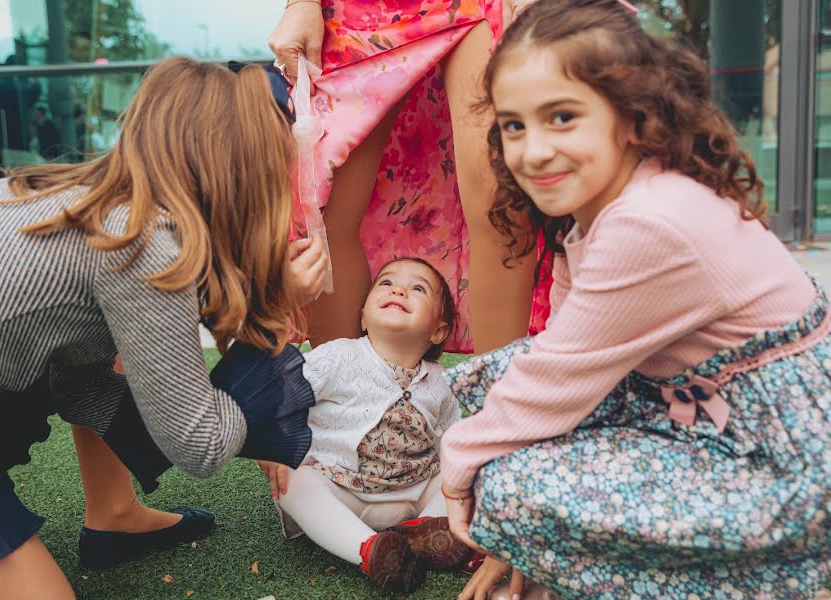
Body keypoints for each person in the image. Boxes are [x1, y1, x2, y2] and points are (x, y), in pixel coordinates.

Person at [436, 1, 831, 598]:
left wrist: (461, 471)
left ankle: (790, 576)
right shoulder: (597, 212)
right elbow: (554, 368)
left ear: (629, 117)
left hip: (793, 463)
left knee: (513, 480)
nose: (533, 151)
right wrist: (524, 544)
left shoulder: (649, 222)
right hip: (711, 413)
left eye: (562, 117)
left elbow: (554, 382)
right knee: (500, 383)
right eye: (514, 125)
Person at [0, 56, 328, 599]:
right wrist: (273, 311)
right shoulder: (145, 246)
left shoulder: (102, 199)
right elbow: (201, 445)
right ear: (243, 171)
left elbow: (76, 378)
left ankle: (112, 517)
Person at [268, 0, 552, 355]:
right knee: (327, 210)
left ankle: (502, 403)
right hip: (360, 10)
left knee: (502, 199)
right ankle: (343, 399)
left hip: (487, 6)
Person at [256, 258, 471, 594]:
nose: (398, 289)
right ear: (363, 317)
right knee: (293, 480)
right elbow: (279, 393)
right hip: (343, 491)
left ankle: (422, 531)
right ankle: (370, 551)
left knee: (464, 471)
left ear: (438, 331)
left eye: (417, 288)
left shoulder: (441, 381)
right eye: (385, 283)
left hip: (414, 493)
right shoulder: (338, 357)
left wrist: (463, 474)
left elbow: (452, 437)